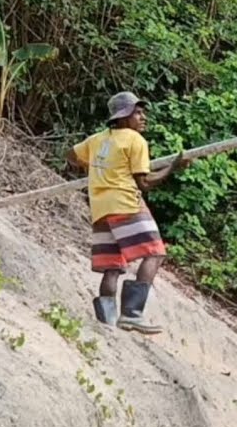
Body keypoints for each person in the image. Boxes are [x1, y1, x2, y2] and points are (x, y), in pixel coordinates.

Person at [67, 92, 188, 334]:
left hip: (101, 209)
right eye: (137, 113)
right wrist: (172, 168)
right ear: (123, 117)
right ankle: (132, 314)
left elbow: (70, 155)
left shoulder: (97, 139)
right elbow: (145, 182)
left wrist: (93, 167)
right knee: (155, 253)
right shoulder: (135, 140)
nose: (143, 118)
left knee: (112, 266)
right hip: (126, 205)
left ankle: (107, 325)